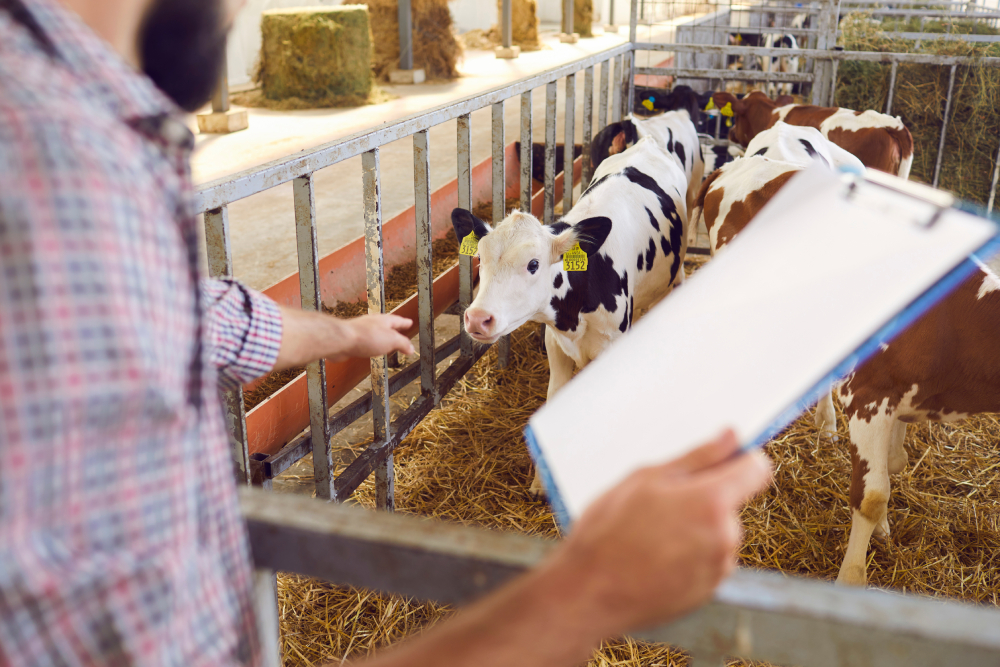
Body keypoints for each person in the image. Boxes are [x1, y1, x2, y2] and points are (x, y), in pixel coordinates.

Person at [0, 1, 772, 666]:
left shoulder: (100, 143)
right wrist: (590, 589)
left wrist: (346, 333)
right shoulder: (54, 175)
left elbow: (192, 316)